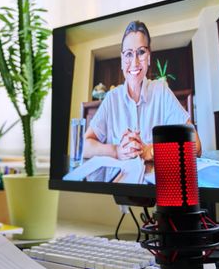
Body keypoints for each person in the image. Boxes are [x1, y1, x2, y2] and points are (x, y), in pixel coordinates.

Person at [82, 20, 201, 163]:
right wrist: (116, 151)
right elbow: (85, 146)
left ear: (149, 57)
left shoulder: (161, 91)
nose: (135, 62)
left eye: (141, 52)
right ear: (122, 60)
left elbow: (196, 145)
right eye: (128, 54)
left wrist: (150, 151)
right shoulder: (112, 98)